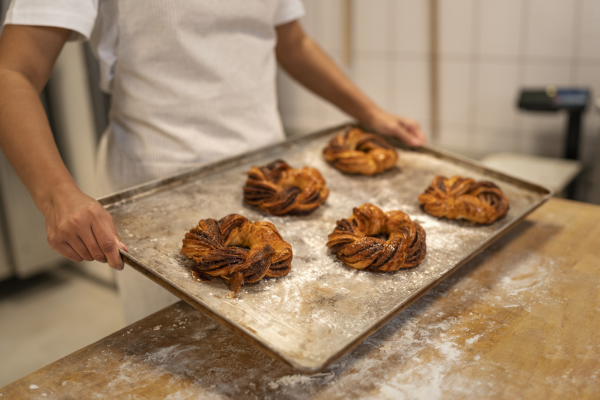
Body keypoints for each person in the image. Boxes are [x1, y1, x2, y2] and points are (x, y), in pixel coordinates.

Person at [0, 0, 426, 323]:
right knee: (182, 353)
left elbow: (292, 42)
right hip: (157, 190)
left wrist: (370, 113)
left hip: (272, 188)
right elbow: (11, 73)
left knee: (278, 334)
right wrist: (57, 195)